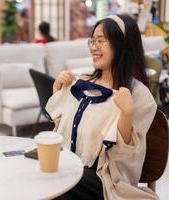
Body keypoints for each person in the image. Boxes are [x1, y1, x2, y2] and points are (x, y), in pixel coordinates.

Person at [48, 14, 158, 199]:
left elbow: (122, 157)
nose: (94, 47)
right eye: (92, 41)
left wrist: (127, 113)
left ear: (122, 44)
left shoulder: (139, 96)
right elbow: (59, 131)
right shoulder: (80, 81)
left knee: (59, 186)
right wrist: (57, 91)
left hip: (106, 182)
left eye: (101, 41)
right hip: (71, 168)